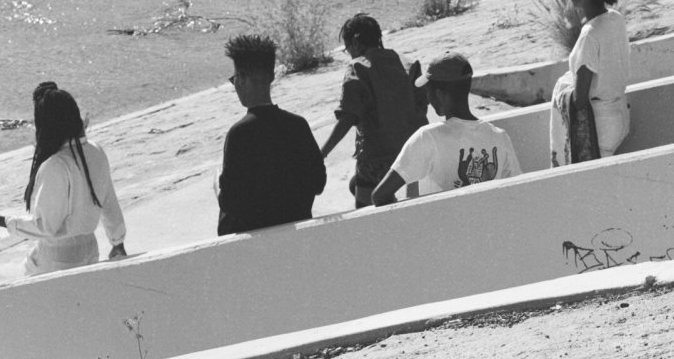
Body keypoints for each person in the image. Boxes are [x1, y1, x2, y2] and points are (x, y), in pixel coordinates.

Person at [0, 83, 126, 276]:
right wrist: (117, 242)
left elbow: (46, 227)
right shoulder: (96, 150)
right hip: (90, 251)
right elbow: (109, 202)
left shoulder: (56, 165)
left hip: (57, 258)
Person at [371, 53, 520, 204]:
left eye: (428, 92)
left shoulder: (427, 137)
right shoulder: (499, 136)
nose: (428, 100)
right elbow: (516, 191)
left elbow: (379, 195)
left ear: (439, 94)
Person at [217, 33, 326, 234]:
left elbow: (231, 202)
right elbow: (318, 183)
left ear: (241, 79)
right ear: (272, 76)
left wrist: (218, 185)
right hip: (298, 231)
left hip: (257, 241)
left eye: (234, 79)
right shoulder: (298, 125)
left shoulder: (239, 134)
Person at [318, 13, 426, 208]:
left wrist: (322, 153)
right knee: (362, 188)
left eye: (347, 48)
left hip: (376, 158)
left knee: (365, 214)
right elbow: (422, 106)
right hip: (413, 152)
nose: (349, 54)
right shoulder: (409, 63)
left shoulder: (358, 67)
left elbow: (348, 117)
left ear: (357, 42)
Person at [549, 0, 632, 167]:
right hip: (620, 115)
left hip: (601, 126)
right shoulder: (615, 19)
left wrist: (562, 91)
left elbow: (580, 98)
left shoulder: (590, 35)